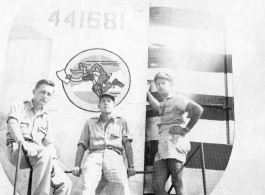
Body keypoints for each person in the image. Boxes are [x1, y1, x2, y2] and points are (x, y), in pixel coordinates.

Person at [6, 79, 72, 195]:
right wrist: (24, 144)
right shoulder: (20, 105)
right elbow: (12, 124)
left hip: (38, 154)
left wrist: (55, 162)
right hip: (17, 149)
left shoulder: (46, 117)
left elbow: (48, 143)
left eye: (49, 94)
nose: (45, 96)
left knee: (65, 183)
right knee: (45, 152)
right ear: (34, 91)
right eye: (43, 92)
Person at [147, 72, 204, 195]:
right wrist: (147, 92)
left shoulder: (178, 98)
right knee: (157, 186)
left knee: (177, 182)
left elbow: (198, 110)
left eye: (163, 83)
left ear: (170, 84)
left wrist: (186, 129)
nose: (160, 86)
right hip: (163, 145)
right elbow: (157, 106)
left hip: (175, 142)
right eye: (158, 84)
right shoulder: (164, 103)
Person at [72, 93, 136, 195]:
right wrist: (76, 165)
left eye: (109, 101)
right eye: (103, 101)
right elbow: (82, 145)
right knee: (88, 186)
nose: (106, 103)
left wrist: (131, 166)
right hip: (94, 155)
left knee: (122, 186)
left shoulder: (121, 122)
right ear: (99, 106)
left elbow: (127, 145)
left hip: (114, 155)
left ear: (114, 105)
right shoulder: (90, 122)